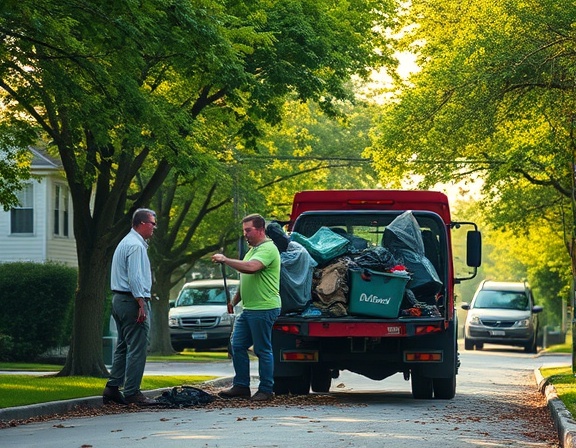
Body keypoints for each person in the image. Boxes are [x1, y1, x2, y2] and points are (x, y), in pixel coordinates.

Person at [211, 213, 281, 402]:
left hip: (264, 308)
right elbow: (245, 279)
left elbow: (251, 268)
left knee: (262, 349)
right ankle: (241, 386)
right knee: (237, 345)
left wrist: (225, 260)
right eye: (244, 231)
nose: (245, 234)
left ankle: (266, 390)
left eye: (248, 230)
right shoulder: (252, 250)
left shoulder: (268, 249)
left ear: (260, 229)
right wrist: (234, 301)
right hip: (249, 308)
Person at [102, 208, 158, 406]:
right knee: (137, 347)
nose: (154, 227)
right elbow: (134, 277)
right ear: (142, 223)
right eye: (152, 223)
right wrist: (141, 303)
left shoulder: (125, 242)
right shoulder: (135, 246)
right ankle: (133, 392)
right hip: (131, 301)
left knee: (123, 345)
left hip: (119, 299)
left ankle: (112, 388)